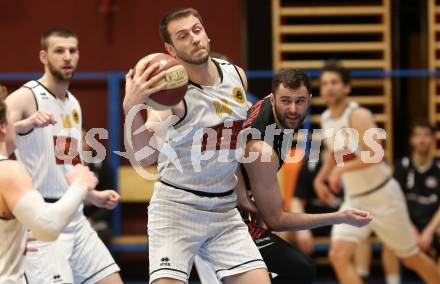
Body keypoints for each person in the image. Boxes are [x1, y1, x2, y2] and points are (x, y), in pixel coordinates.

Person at [123, 7, 271, 284]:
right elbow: (144, 158)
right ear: (171, 49)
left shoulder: (237, 76)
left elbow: (232, 148)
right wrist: (131, 108)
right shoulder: (168, 99)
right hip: (177, 208)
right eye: (182, 36)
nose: (194, 38)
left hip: (223, 210)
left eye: (197, 30)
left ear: (206, 33)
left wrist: (242, 194)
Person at [195, 69, 372, 284]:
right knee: (299, 269)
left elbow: (228, 140)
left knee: (294, 269)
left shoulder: (268, 112)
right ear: (273, 98)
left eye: (300, 101)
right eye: (286, 101)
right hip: (214, 217)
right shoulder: (262, 150)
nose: (293, 109)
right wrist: (341, 216)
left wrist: (241, 191)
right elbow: (276, 220)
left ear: (310, 100)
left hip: (225, 207)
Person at [5, 27, 122, 284]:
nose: (67, 56)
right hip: (44, 218)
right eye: (59, 51)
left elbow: (67, 164)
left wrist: (93, 195)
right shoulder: (28, 96)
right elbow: (2, 132)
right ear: (43, 57)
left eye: (72, 50)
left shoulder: (73, 104)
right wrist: (25, 125)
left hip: (75, 216)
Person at [313, 61, 440, 284]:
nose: (329, 87)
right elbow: (335, 154)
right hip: (356, 198)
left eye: (334, 82)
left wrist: (340, 172)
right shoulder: (325, 118)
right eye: (324, 83)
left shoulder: (358, 115)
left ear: (347, 88)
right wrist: (321, 178)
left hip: (383, 196)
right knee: (338, 255)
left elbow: (377, 154)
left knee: (411, 259)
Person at [0, 95, 99, 283]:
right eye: (13, 124)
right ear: (4, 127)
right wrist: (79, 186)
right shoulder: (8, 171)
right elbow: (47, 228)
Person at [383, 119, 440, 281]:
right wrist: (411, 229)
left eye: (426, 135)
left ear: (433, 139)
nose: (422, 139)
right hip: (407, 222)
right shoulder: (401, 166)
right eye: (417, 135)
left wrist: (428, 232)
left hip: (433, 224)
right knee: (389, 240)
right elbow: (395, 202)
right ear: (411, 140)